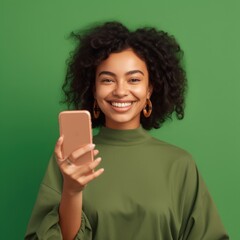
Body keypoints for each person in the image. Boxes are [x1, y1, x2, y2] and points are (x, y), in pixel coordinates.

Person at [25, 21, 229, 240]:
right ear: (93, 88)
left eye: (133, 79)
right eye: (107, 80)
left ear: (150, 88)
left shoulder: (180, 163)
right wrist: (72, 190)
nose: (121, 91)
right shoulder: (68, 161)